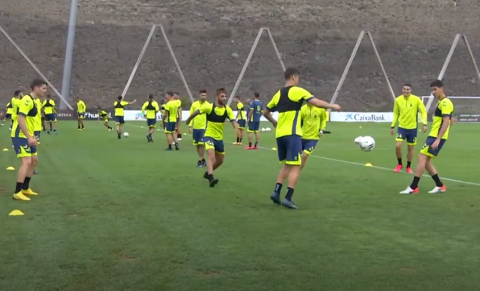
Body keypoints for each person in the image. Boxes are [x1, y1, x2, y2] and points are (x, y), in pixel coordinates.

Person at [263, 68, 341, 209]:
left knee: (288, 164)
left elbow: (266, 112)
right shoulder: (297, 91)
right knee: (297, 166)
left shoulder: (278, 94)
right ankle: (288, 198)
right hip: (292, 134)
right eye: (297, 77)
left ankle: (276, 192)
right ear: (293, 77)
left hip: (280, 134)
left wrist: (275, 123)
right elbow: (316, 102)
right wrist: (332, 106)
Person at [400, 80, 453, 194]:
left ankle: (413, 187)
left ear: (441, 88)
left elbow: (446, 122)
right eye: (431, 90)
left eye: (435, 89)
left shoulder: (445, 102)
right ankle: (440, 185)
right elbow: (450, 120)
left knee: (421, 157)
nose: (433, 92)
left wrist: (438, 139)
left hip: (436, 136)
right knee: (426, 160)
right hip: (434, 135)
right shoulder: (441, 103)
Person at [185, 88, 236, 187]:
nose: (224, 98)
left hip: (219, 138)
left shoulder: (227, 109)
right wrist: (188, 120)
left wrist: (235, 126)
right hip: (208, 135)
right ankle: (211, 178)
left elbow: (233, 120)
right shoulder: (209, 107)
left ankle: (208, 173)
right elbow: (197, 112)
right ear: (217, 97)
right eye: (222, 96)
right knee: (211, 156)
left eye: (225, 96)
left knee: (220, 160)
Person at [11, 79, 47, 201]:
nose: (45, 91)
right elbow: (20, 118)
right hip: (20, 135)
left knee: (34, 161)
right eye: (43, 88)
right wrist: (28, 136)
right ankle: (17, 191)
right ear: (36, 88)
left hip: (30, 134)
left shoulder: (36, 101)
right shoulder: (26, 100)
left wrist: (35, 135)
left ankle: (25, 188)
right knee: (26, 162)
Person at [390, 84, 427, 173]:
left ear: (410, 90)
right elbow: (395, 114)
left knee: (410, 148)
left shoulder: (416, 99)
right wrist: (392, 126)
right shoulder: (398, 100)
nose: (406, 91)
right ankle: (399, 164)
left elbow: (423, 111)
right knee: (398, 146)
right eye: (404, 89)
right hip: (402, 127)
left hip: (412, 128)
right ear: (402, 90)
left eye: (408, 89)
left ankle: (408, 167)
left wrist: (424, 123)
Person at [300, 102, 327, 170]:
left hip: (313, 137)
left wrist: (322, 129)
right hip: (302, 136)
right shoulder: (302, 109)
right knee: (296, 155)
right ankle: (294, 169)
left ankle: (297, 170)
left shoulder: (320, 109)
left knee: (305, 155)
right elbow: (299, 122)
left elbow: (324, 119)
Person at [188, 89, 209, 167]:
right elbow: (191, 115)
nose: (204, 97)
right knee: (197, 144)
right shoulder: (194, 104)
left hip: (203, 127)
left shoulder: (208, 105)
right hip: (195, 127)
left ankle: (200, 160)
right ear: (199, 95)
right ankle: (203, 159)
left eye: (205, 95)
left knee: (201, 144)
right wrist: (190, 125)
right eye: (202, 95)